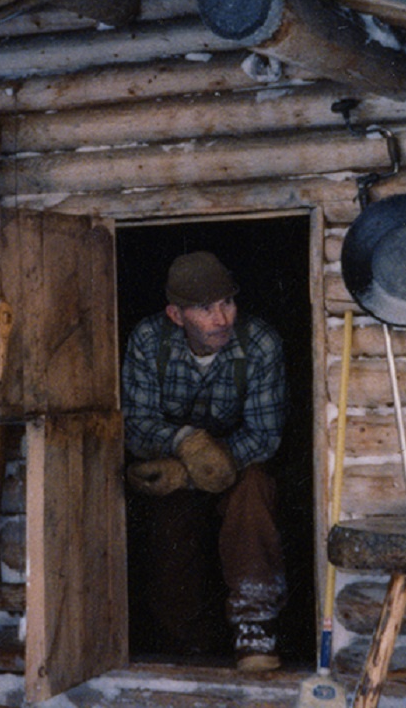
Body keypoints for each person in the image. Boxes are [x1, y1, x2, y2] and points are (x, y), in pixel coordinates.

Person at [121, 250, 288, 672]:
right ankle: (186, 645)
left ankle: (256, 627)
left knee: (252, 496)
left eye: (228, 302)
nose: (223, 318)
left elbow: (264, 435)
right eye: (205, 308)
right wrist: (185, 443)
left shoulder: (261, 343)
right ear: (176, 315)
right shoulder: (148, 341)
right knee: (169, 526)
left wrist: (199, 470)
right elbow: (137, 423)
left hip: (239, 459)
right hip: (174, 463)